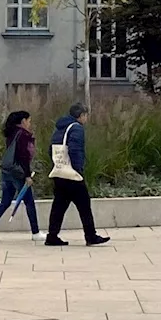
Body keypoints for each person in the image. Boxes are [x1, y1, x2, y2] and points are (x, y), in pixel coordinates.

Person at [46, 103, 110, 247]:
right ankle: (91, 236)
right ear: (81, 116)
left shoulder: (59, 128)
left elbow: (51, 149)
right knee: (84, 205)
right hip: (72, 175)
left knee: (59, 206)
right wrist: (78, 168)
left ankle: (52, 235)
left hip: (59, 173)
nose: (86, 118)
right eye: (86, 115)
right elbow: (75, 150)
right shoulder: (76, 128)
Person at [0, 111, 43, 242]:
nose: (29, 123)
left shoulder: (11, 134)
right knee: (29, 202)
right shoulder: (23, 135)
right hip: (18, 173)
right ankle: (35, 232)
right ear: (23, 121)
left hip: (7, 171)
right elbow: (23, 156)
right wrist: (27, 175)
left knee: (5, 201)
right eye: (29, 120)